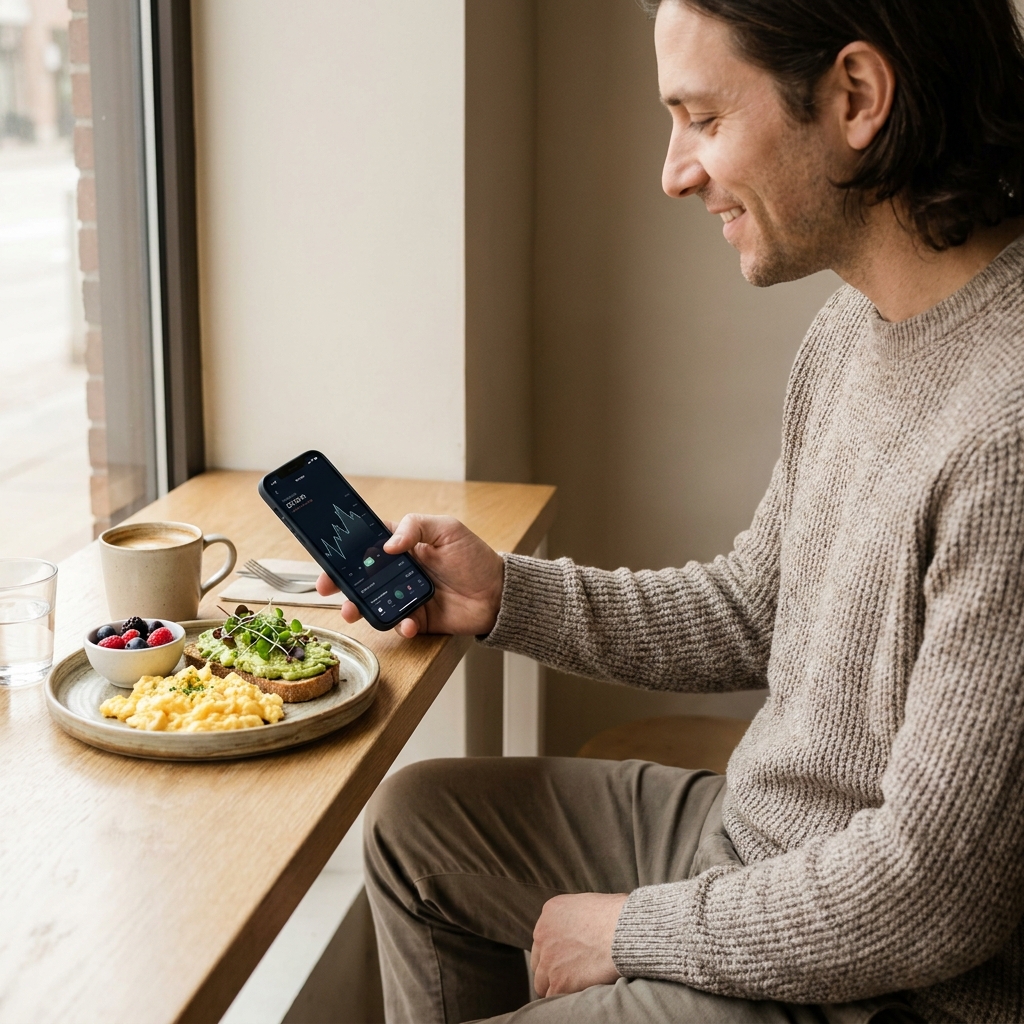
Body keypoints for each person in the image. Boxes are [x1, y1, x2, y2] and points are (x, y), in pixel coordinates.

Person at [318, 0, 1024, 1020]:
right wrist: (504, 594)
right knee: (417, 827)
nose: (674, 170)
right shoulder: (852, 329)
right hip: (757, 837)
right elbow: (756, 608)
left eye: (701, 116)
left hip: (887, 983)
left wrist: (630, 928)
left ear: (855, 97)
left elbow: (932, 895)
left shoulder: (1003, 428)